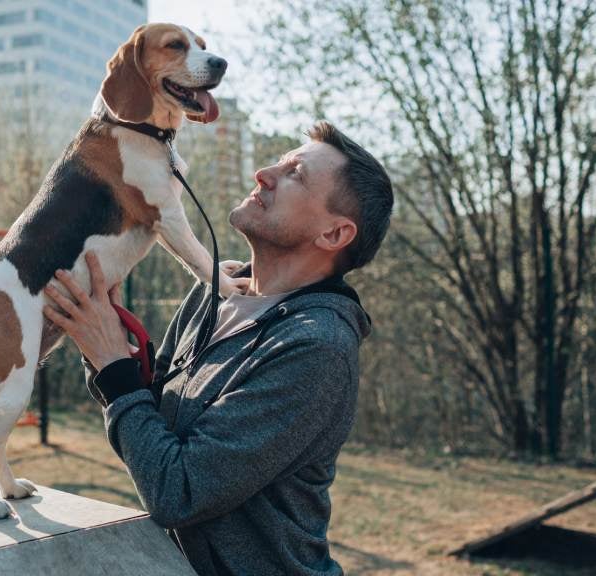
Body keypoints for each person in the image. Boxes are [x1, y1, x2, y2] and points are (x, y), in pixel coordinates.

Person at [42, 121, 393, 576]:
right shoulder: (219, 290)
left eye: (296, 175)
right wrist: (109, 349)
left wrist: (115, 372)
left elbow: (179, 492)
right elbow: (153, 435)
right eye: (278, 163)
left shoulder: (316, 348)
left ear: (333, 235)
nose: (263, 173)